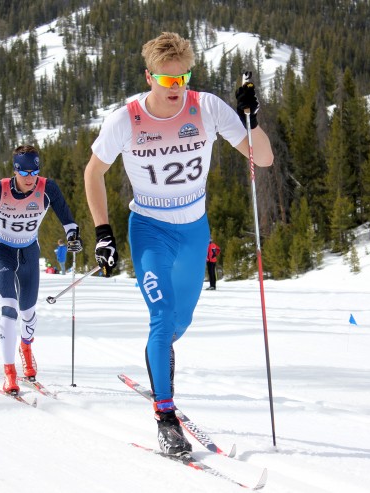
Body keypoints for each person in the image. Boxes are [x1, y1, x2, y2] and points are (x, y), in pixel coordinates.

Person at [84, 32, 274, 455]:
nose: (177, 89)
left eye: (183, 79)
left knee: (178, 325)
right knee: (162, 315)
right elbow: (92, 173)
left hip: (193, 230)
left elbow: (262, 159)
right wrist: (103, 231)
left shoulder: (205, 107)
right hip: (149, 229)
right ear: (149, 77)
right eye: (168, 82)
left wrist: (251, 120)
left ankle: (159, 360)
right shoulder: (127, 119)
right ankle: (165, 416)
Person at [0, 144, 83, 395]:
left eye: (34, 172)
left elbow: (69, 221)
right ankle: (9, 373)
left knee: (28, 312)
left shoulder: (47, 188)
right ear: (15, 170)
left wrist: (73, 237)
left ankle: (26, 349)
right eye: (24, 173)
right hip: (2, 251)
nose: (30, 178)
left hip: (28, 251)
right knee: (9, 309)